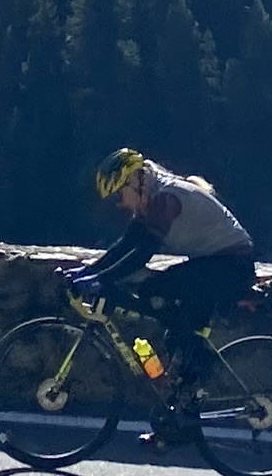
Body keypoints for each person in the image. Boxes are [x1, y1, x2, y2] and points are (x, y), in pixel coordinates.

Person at [64, 148, 257, 430]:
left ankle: (203, 364)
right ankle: (180, 420)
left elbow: (143, 253)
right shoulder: (150, 198)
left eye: (120, 194)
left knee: (156, 289)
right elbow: (126, 245)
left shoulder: (166, 199)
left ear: (136, 182)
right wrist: (88, 271)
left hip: (230, 266)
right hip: (214, 263)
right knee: (173, 330)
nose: (120, 203)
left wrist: (101, 280)